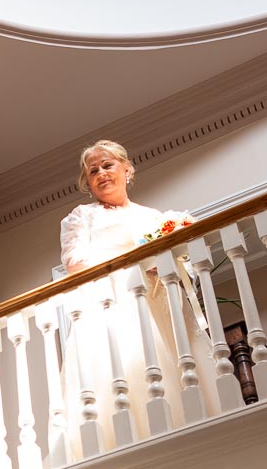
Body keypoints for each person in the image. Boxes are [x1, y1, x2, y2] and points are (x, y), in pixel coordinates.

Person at [59, 140, 218, 441]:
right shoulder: (81, 217)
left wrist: (164, 263)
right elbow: (74, 262)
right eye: (93, 171)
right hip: (111, 302)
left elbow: (182, 264)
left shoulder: (153, 217)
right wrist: (133, 259)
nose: (101, 174)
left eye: (108, 165)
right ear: (88, 182)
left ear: (127, 169)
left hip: (156, 302)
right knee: (122, 371)